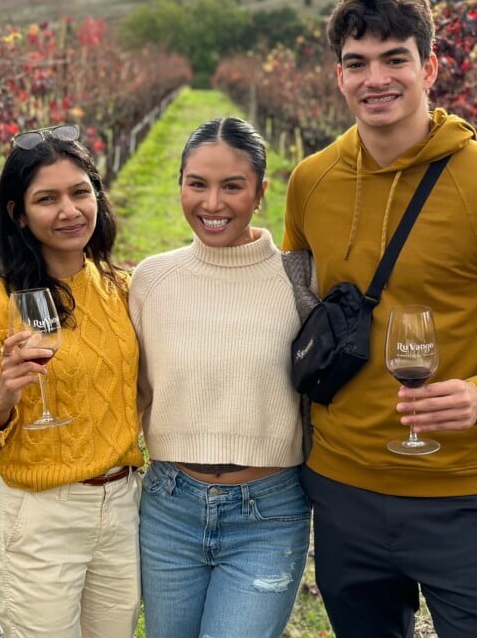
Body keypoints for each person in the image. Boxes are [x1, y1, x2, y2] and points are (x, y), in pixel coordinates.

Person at [282, 0, 477, 638]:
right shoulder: (311, 183)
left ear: (431, 67)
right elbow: (299, 309)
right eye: (356, 63)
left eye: (396, 59)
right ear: (339, 76)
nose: (375, 79)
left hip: (461, 495)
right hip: (340, 489)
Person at [0, 125, 143, 638]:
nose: (70, 210)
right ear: (18, 214)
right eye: (46, 199)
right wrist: (4, 396)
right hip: (39, 520)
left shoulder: (119, 287)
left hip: (121, 508)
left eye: (80, 192)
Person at [128, 116, 310, 638]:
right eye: (197, 184)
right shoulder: (152, 280)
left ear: (260, 192)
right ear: (180, 184)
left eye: (232, 186)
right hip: (169, 508)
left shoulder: (298, 280)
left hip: (268, 512)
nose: (212, 204)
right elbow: (133, 392)